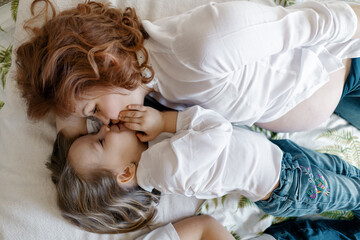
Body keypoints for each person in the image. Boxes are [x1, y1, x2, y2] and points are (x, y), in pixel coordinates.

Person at [15, 0, 360, 136]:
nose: (104, 123)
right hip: (324, 96)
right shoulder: (155, 91)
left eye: (94, 109)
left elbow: (323, 25)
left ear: (107, 61)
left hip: (343, 67)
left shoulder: (203, 46)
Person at [47, 104, 360, 234]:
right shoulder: (164, 167)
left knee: (345, 176)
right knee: (351, 192)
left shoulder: (156, 161)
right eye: (100, 141)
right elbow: (217, 130)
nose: (106, 126)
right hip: (289, 182)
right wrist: (164, 120)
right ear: (125, 173)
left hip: (280, 166)